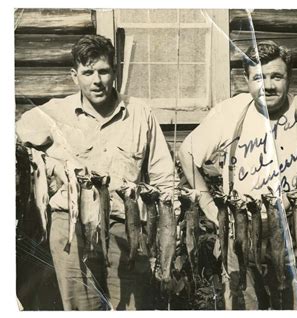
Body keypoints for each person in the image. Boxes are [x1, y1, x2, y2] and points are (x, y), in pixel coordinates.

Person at [178, 41, 297, 309]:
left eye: (276, 76)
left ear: (289, 78)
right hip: (241, 229)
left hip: (294, 230)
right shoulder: (230, 112)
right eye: (259, 77)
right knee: (241, 305)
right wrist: (209, 207)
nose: (268, 85)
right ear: (246, 79)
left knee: (296, 305)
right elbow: (187, 153)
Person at [16, 34, 177, 310]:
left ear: (115, 71)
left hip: (127, 228)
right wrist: (49, 163)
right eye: (87, 72)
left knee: (133, 308)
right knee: (81, 309)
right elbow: (14, 137)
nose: (96, 80)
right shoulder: (54, 112)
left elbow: (165, 177)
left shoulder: (140, 114)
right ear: (74, 76)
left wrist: (168, 232)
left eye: (103, 71)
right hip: (71, 227)